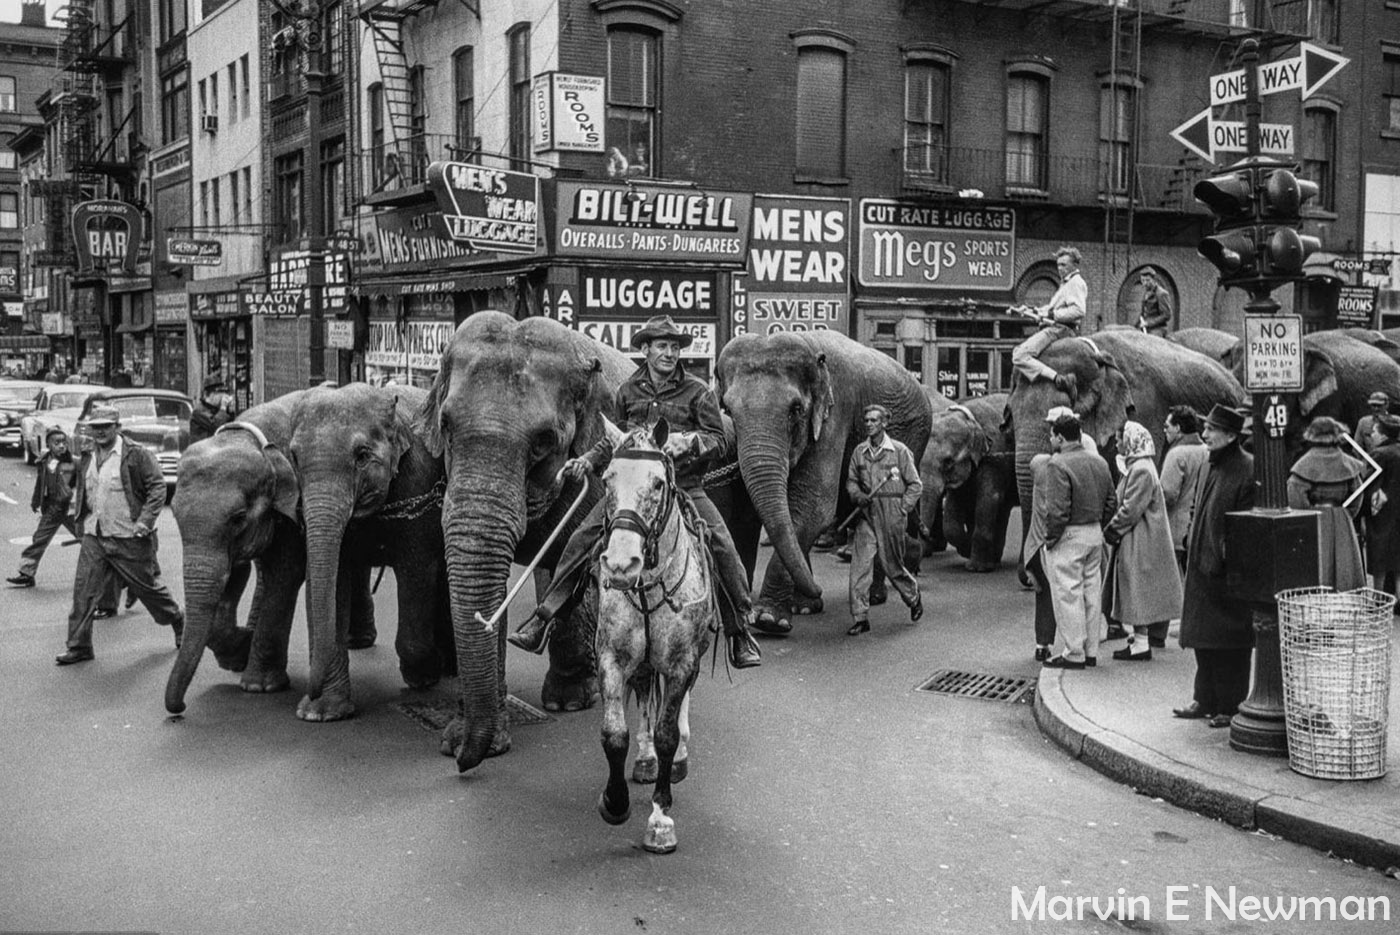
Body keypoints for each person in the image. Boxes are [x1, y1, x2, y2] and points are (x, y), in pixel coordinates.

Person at [508, 315, 762, 668]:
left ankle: (740, 633)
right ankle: (544, 618)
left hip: (683, 486)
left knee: (722, 544)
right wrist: (587, 461)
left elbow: (719, 441)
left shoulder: (698, 391)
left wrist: (689, 442)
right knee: (580, 539)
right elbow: (615, 440)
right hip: (632, 491)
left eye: (674, 347)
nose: (669, 353)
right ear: (646, 349)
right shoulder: (628, 391)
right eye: (662, 346)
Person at [55, 405, 184, 665]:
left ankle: (177, 619)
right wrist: (80, 518)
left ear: (118, 427)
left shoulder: (135, 455)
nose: (100, 432)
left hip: (129, 537)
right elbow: (84, 488)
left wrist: (145, 521)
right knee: (84, 592)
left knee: (148, 590)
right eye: (96, 427)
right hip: (95, 535)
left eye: (106, 426)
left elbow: (157, 487)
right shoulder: (88, 453)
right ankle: (79, 646)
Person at [1175, 404, 1255, 727]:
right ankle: (1205, 698)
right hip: (1202, 567)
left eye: (1211, 430)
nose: (1204, 434)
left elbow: (1246, 528)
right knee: (1204, 640)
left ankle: (1230, 706)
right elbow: (1198, 505)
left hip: (1226, 572)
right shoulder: (1212, 464)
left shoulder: (1248, 469)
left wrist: (1225, 558)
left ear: (1231, 436)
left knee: (1229, 644)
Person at [1040, 411, 1115, 669]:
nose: (1050, 440)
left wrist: (1050, 539)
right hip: (1094, 532)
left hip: (1069, 534)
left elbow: (1057, 510)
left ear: (1060, 438)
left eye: (1052, 436)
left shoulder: (1058, 464)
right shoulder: (1099, 462)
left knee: (1068, 593)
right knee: (1091, 592)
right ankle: (1091, 650)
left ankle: (1074, 652)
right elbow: (1111, 502)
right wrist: (1100, 525)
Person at [1102, 422, 1182, 661]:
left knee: (1137, 590)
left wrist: (1111, 530)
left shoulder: (1141, 470)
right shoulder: (1141, 466)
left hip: (1141, 539)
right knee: (1137, 590)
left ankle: (1140, 643)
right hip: (1141, 536)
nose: (1117, 444)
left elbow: (1131, 508)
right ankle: (1140, 640)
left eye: (1120, 440)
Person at [844, 405, 924, 636]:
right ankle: (860, 617)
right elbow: (851, 481)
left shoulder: (899, 451)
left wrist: (903, 508)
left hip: (892, 511)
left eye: (873, 420)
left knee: (892, 565)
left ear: (884, 423)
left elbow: (915, 484)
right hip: (867, 513)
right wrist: (857, 495)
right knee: (860, 567)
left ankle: (913, 596)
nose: (868, 424)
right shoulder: (859, 452)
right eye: (866, 420)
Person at [1286, 416, 1367, 591]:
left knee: (1316, 562)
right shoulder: (1348, 464)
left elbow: (1295, 496)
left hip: (1314, 519)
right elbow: (1358, 494)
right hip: (1341, 518)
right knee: (1345, 563)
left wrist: (1306, 516)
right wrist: (1345, 514)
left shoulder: (1304, 465)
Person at [1009, 246, 1087, 397]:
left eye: (1064, 265)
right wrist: (1032, 310)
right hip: (1055, 327)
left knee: (1019, 355)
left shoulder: (1075, 283)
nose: (1060, 268)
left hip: (1059, 330)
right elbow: (1054, 309)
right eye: (1058, 265)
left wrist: (1052, 315)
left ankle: (1059, 379)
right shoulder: (1066, 283)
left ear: (1074, 265)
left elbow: (1079, 311)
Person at [7, 428, 78, 588]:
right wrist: (35, 501)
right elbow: (41, 483)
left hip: (71, 510)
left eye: (64, 442)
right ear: (48, 445)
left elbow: (86, 484)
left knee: (89, 541)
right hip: (52, 508)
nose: (61, 446)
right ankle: (27, 573)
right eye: (56, 443)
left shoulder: (75, 462)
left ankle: (115, 572)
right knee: (39, 539)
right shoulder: (44, 461)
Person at [1160, 405, 1208, 581]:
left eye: (1167, 427)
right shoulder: (1207, 451)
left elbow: (1167, 494)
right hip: (1200, 528)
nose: (1165, 431)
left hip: (1176, 531)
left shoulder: (1176, 454)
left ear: (1178, 428)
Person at [1022, 452, 1057, 662]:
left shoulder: (1037, 488)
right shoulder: (1055, 492)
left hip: (1033, 550)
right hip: (1048, 549)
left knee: (1043, 598)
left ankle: (1041, 645)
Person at [1365, 414, 1400, 600]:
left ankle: (1377, 599)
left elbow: (1370, 486)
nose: (1371, 435)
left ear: (1383, 434)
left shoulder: (1378, 454)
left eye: (1374, 431)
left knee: (1380, 558)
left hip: (1382, 515)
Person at [189, 374, 237, 443]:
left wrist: (230, 410)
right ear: (207, 394)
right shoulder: (199, 411)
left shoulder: (218, 410)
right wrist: (223, 407)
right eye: (217, 393)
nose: (222, 396)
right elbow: (215, 426)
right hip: (201, 451)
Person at [1136, 268, 1173, 336]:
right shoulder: (1147, 292)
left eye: (1147, 280)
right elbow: (1144, 313)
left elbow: (1166, 315)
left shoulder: (1162, 293)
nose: (1144, 283)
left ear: (1154, 279)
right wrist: (1135, 326)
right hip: (1145, 328)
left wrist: (1148, 323)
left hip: (1158, 329)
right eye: (1143, 280)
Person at [1355, 391, 1390, 456]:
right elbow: (1357, 447)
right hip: (1370, 462)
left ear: (1386, 405)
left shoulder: (1395, 422)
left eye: (1379, 406)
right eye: (1373, 405)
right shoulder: (1363, 422)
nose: (1376, 409)